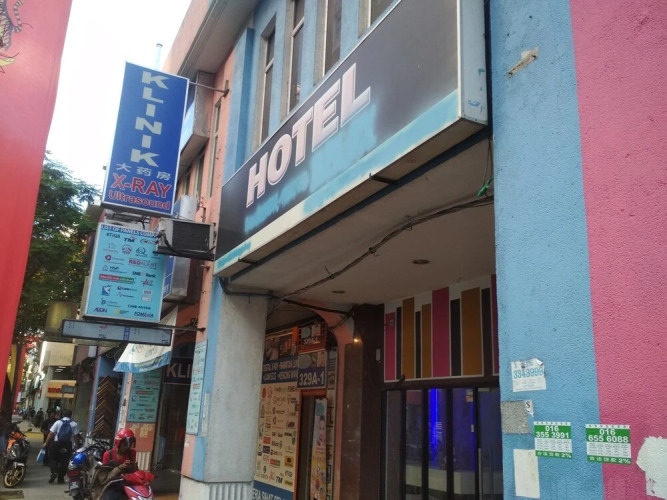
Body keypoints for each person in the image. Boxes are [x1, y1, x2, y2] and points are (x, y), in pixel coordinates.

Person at [42, 409, 82, 484]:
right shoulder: (74, 424)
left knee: (53, 458)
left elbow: (51, 434)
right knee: (64, 461)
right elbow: (76, 436)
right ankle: (61, 478)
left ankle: (54, 472)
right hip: (67, 444)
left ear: (63, 415)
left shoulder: (58, 422)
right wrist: (76, 445)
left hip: (56, 443)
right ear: (71, 415)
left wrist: (46, 443)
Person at [101, 429, 138, 500]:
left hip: (127, 485)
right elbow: (104, 477)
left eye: (129, 444)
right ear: (118, 443)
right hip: (112, 486)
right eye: (125, 444)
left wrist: (132, 466)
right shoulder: (108, 455)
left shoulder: (132, 453)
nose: (127, 447)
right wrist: (120, 467)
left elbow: (134, 472)